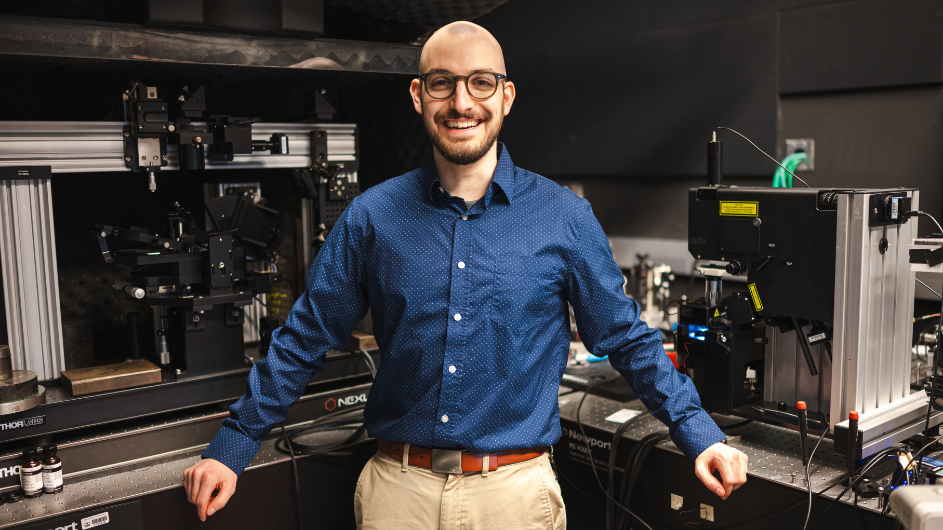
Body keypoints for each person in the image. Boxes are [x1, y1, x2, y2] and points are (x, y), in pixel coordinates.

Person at [184, 20, 748, 529]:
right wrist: (232, 446)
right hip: (396, 496)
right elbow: (304, 338)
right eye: (442, 83)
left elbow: (624, 337)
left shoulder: (563, 217)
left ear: (505, 97)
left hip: (515, 496)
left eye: (480, 83)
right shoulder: (372, 216)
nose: (461, 102)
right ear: (417, 95)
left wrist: (699, 436)